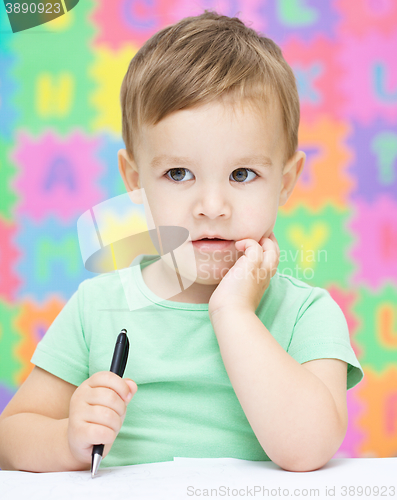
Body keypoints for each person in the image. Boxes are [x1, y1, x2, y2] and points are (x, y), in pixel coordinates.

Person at [0, 10, 364, 473]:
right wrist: (66, 439)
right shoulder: (98, 306)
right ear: (135, 182)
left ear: (286, 182)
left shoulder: (307, 314)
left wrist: (233, 311)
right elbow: (10, 436)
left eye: (242, 174)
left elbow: (309, 449)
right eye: (178, 173)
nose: (212, 206)